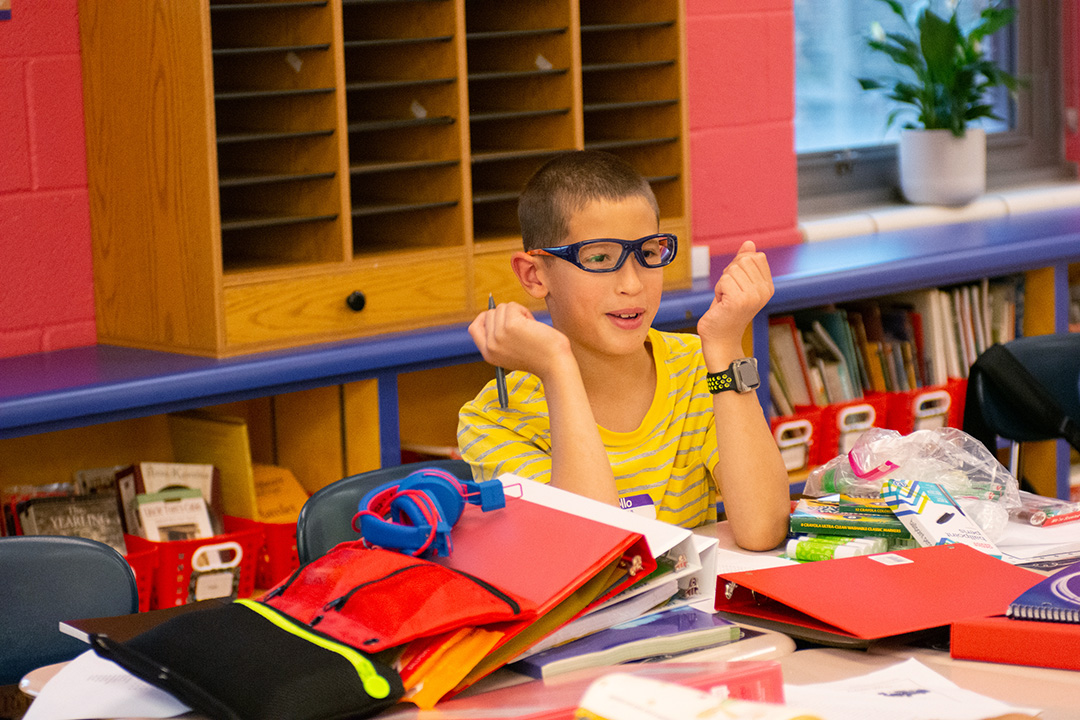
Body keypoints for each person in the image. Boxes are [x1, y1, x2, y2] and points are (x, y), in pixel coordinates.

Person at [457, 150, 789, 551]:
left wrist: (723, 346)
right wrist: (558, 368)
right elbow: (592, 554)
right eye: (599, 258)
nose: (632, 284)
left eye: (649, 254)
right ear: (534, 274)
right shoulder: (494, 419)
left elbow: (764, 529)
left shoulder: (696, 366)